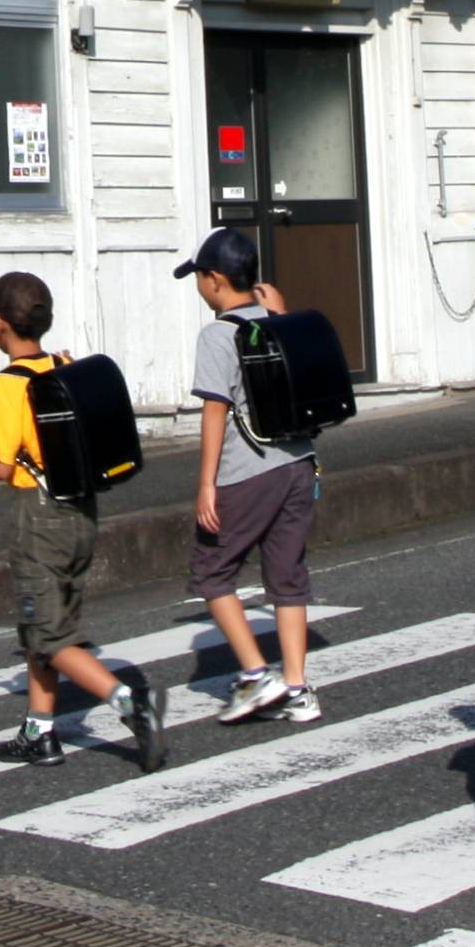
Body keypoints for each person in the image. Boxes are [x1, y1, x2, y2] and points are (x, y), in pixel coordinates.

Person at [0, 270, 165, 772]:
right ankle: (40, 729)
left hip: (40, 516)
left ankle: (127, 702)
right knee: (47, 621)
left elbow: (5, 465)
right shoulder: (62, 368)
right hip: (80, 510)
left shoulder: (5, 387)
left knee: (49, 632)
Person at [177, 227, 320, 725]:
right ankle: (298, 688)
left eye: (199, 276)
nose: (198, 285)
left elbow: (215, 411)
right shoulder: (280, 321)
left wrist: (206, 483)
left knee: (211, 572)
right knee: (287, 576)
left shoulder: (218, 335)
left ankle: (259, 675)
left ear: (215, 280)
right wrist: (280, 310)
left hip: (247, 471)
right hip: (299, 464)